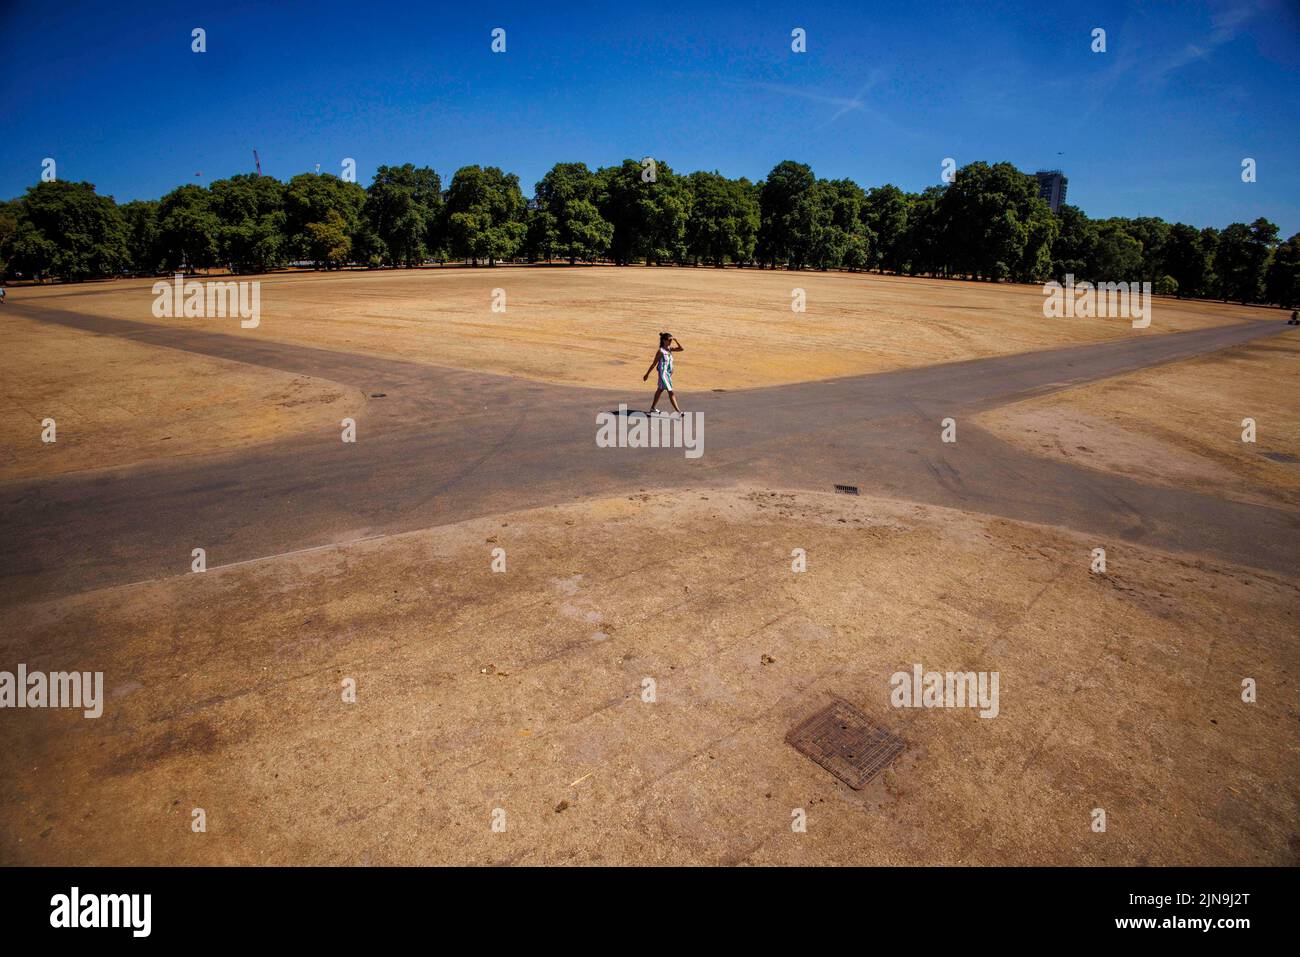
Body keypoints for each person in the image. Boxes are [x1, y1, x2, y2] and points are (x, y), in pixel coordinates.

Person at [643, 332, 684, 416]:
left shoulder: (669, 349)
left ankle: (652, 408)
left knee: (660, 390)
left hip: (667, 374)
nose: (670, 342)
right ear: (664, 341)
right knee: (671, 392)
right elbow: (654, 364)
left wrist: (676, 340)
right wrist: (647, 374)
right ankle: (678, 412)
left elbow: (681, 349)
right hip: (663, 375)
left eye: (671, 340)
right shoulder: (660, 351)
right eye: (669, 340)